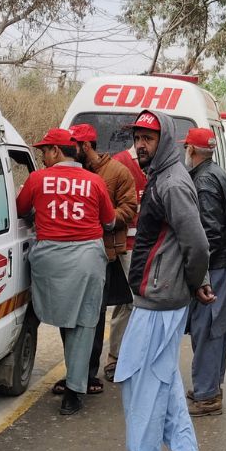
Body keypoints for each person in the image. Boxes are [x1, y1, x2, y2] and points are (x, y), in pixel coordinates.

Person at [115, 110, 212, 451]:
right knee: (163, 382)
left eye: (148, 138)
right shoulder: (162, 175)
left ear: (165, 140)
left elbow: (197, 243)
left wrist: (196, 281)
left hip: (159, 302)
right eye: (137, 138)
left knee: (141, 386)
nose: (140, 145)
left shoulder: (171, 183)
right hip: (159, 298)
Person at [16, 128, 116, 415]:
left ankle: (71, 378)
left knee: (64, 316)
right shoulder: (95, 181)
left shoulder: (37, 179)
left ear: (56, 151)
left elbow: (21, 210)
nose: (43, 157)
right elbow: (109, 221)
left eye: (44, 151)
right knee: (83, 322)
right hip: (87, 260)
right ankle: (74, 390)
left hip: (50, 261)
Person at [183, 127, 226, 417]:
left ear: (191, 150)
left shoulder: (204, 181)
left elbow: (210, 232)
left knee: (209, 329)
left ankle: (208, 395)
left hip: (219, 265)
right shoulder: (215, 173)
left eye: (185, 147)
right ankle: (209, 386)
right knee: (217, 330)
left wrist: (199, 275)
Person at [68, 123, 138, 394]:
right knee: (74, 314)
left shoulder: (117, 172)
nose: (67, 150)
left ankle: (89, 373)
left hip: (104, 254)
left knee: (95, 315)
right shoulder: (72, 172)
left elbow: (129, 208)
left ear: (85, 146)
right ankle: (76, 373)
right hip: (73, 254)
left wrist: (104, 221)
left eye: (73, 145)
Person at [105, 145, 147, 382]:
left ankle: (125, 355)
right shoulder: (121, 163)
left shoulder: (156, 163)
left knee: (133, 303)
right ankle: (116, 356)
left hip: (149, 246)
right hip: (128, 245)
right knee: (131, 302)